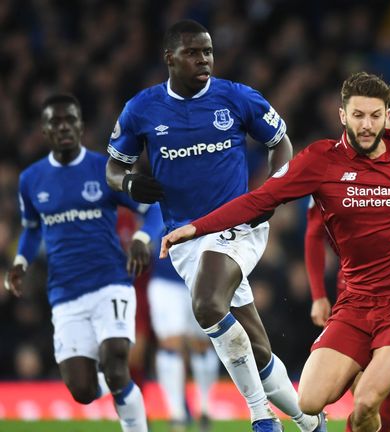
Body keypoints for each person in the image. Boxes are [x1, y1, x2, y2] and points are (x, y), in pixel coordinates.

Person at [159, 72, 390, 432]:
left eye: (375, 116)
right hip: (358, 302)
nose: (367, 126)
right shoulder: (320, 161)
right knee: (308, 401)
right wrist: (197, 227)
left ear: (386, 115)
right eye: (358, 116)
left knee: (368, 399)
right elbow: (260, 200)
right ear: (342, 115)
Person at [104, 19, 324, 432]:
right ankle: (310, 421)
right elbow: (114, 168)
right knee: (256, 349)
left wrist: (271, 194)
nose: (203, 59)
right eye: (192, 52)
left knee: (206, 303)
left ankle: (261, 416)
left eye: (207, 51)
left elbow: (281, 144)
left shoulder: (237, 98)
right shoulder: (142, 109)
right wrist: (130, 181)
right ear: (170, 58)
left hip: (239, 224)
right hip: (185, 235)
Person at [4, 93, 164, 432]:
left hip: (111, 283)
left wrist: (140, 239)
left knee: (116, 361)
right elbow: (32, 230)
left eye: (70, 120)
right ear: (45, 131)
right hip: (65, 294)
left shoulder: (103, 170)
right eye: (55, 122)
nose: (64, 127)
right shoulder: (31, 180)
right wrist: (20, 261)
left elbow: (154, 210)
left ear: (81, 126)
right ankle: (120, 392)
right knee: (83, 391)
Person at [304, 93, 390, 432]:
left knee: (385, 397)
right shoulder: (333, 172)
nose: (375, 131)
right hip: (353, 296)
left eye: (382, 123)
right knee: (361, 390)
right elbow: (313, 234)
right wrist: (318, 294)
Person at [147, 241, 219, 432]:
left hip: (200, 275)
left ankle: (205, 408)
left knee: (201, 344)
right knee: (170, 343)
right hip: (166, 278)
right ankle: (176, 413)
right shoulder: (153, 209)